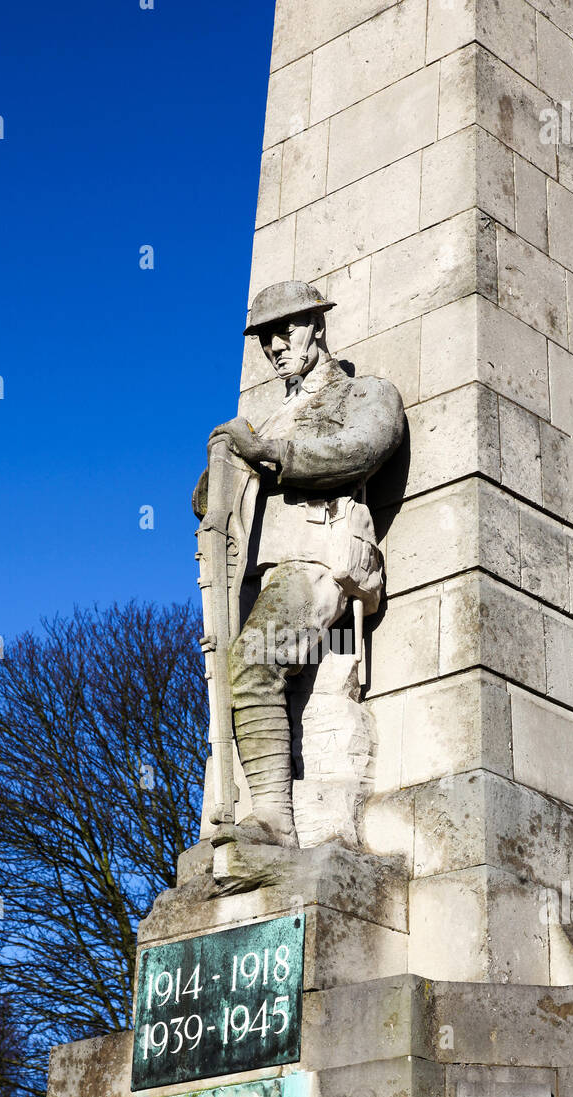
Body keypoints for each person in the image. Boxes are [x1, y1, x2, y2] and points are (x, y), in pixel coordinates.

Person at [194, 281, 405, 848]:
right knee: (238, 672)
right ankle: (242, 812)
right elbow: (208, 503)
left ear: (317, 325)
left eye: (286, 329)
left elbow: (362, 449)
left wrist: (269, 453)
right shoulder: (270, 418)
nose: (276, 345)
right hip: (258, 571)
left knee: (252, 665)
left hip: (318, 554)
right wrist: (224, 460)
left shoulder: (362, 393)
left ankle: (273, 821)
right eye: (265, 336)